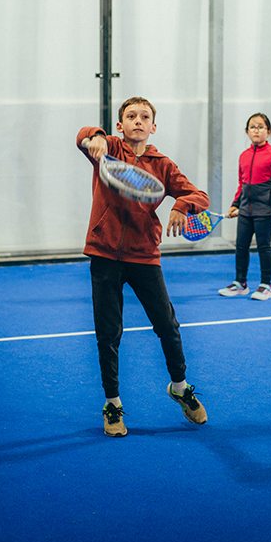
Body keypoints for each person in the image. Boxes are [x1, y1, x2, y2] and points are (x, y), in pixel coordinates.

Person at [77, 97, 210, 437]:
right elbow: (85, 136)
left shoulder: (162, 165)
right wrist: (94, 136)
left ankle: (180, 387)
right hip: (104, 254)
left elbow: (199, 196)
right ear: (120, 126)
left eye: (145, 117)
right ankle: (113, 404)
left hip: (143, 255)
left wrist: (181, 205)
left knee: (167, 325)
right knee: (108, 334)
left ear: (154, 127)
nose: (138, 121)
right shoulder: (108, 150)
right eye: (131, 116)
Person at [218, 113, 271, 301]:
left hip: (265, 210)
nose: (256, 130)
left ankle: (266, 285)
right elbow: (242, 184)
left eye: (260, 127)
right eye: (252, 127)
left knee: (264, 246)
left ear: (269, 131)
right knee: (241, 247)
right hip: (245, 210)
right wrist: (235, 204)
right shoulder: (244, 156)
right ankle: (240, 283)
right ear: (247, 132)